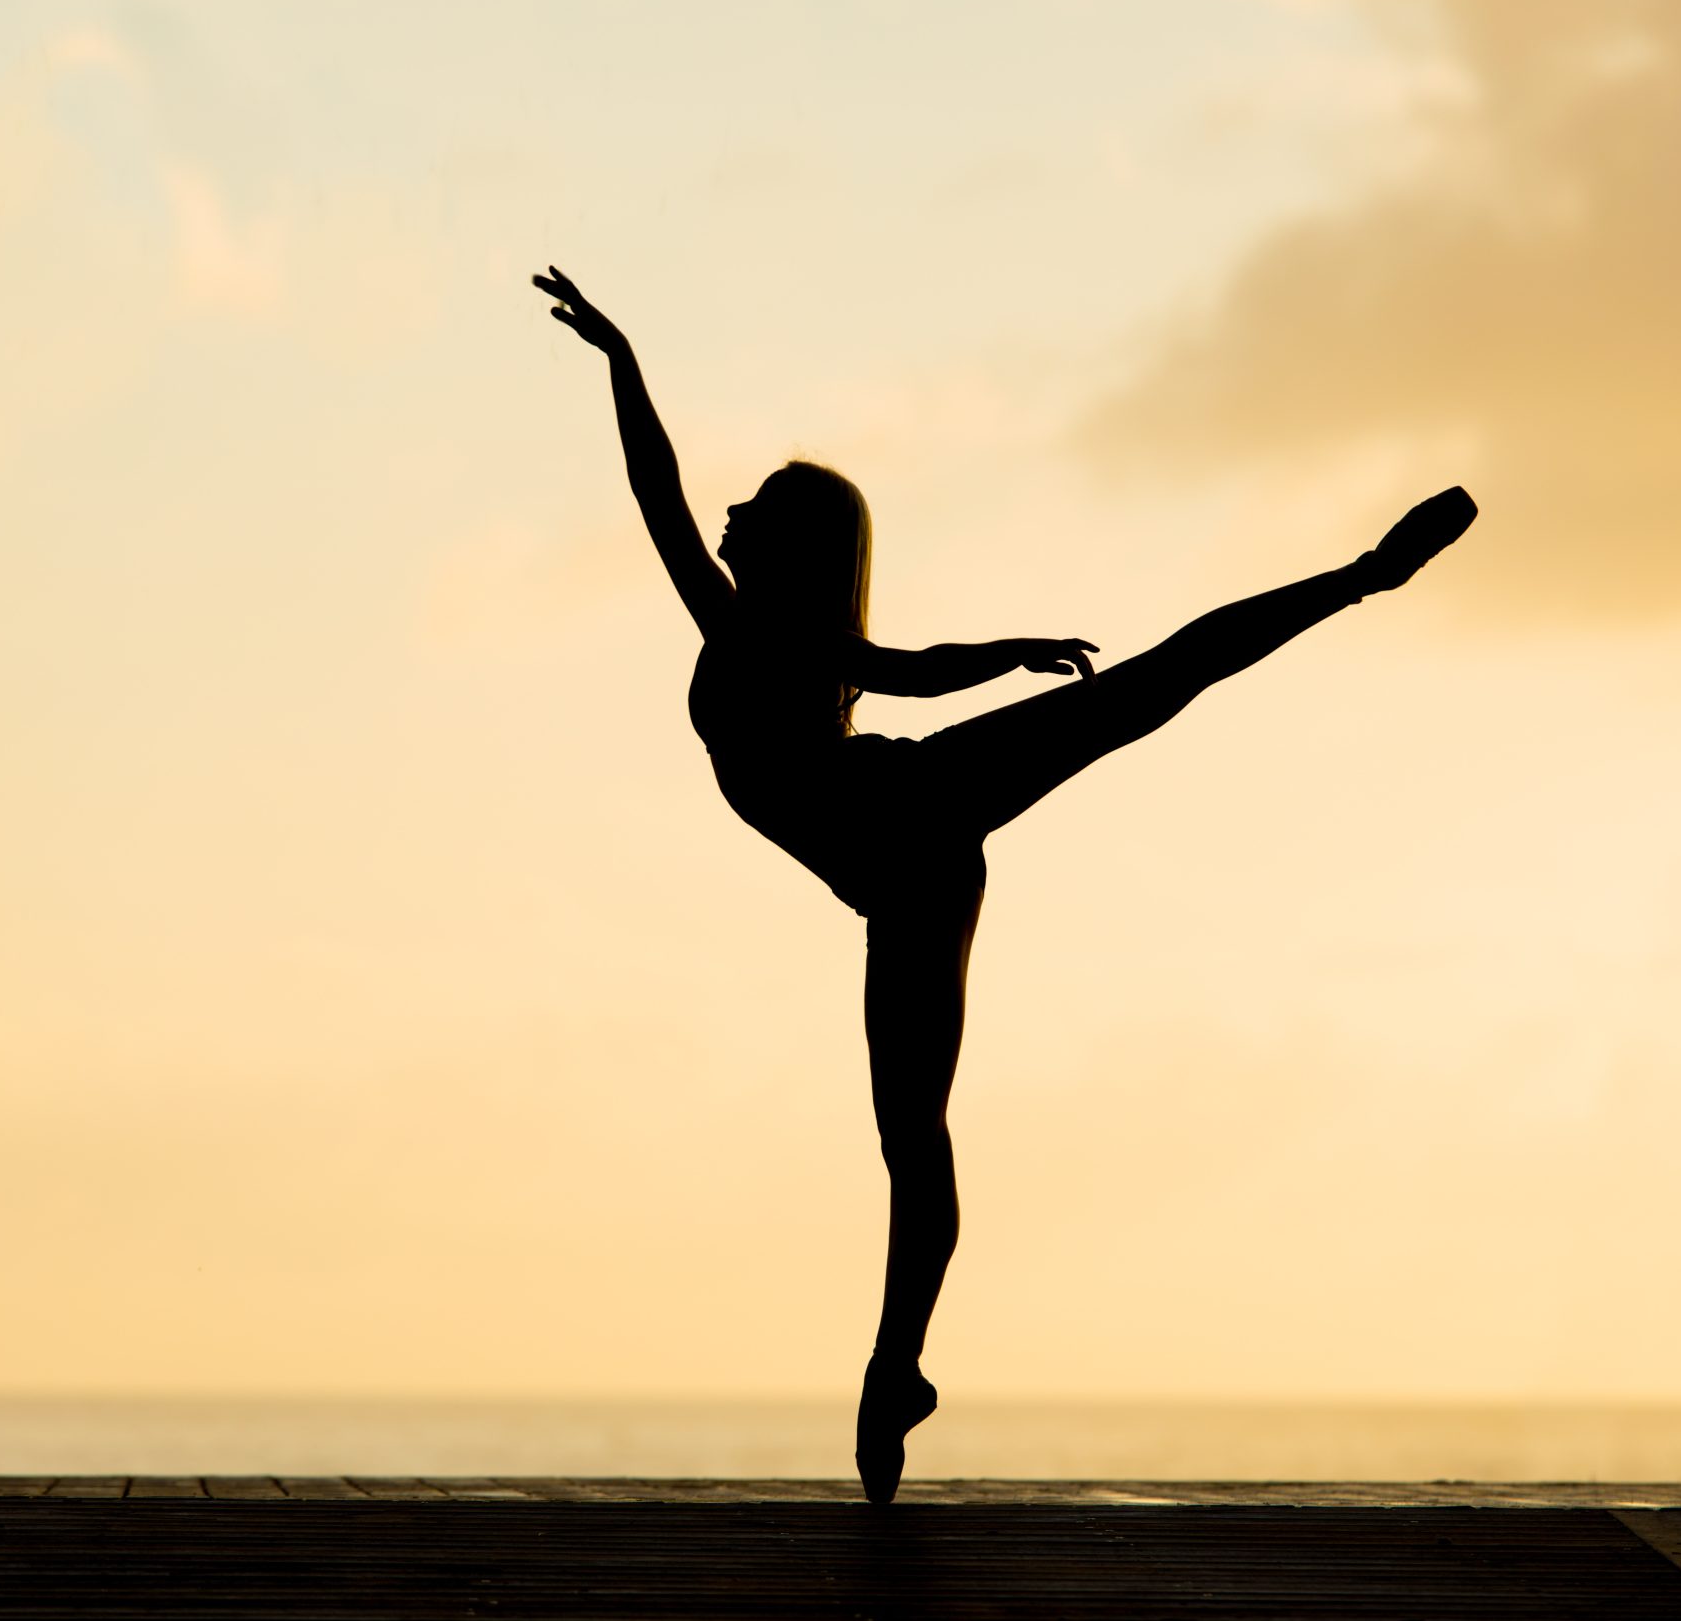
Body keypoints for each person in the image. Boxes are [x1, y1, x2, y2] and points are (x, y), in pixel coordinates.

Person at [534, 267, 1477, 1502]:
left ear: (794, 549)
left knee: (1144, 689)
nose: (727, 510)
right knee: (911, 1138)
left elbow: (905, 667)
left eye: (756, 503)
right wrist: (621, 359)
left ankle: (1365, 572)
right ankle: (897, 1367)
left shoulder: (791, 640)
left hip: (912, 806)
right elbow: (655, 486)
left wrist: (1006, 658)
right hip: (903, 880)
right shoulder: (731, 622)